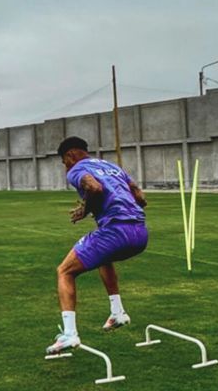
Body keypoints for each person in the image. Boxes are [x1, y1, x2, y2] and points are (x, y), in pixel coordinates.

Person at [46, 137, 148, 355]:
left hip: (115, 232)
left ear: (70, 156)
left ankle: (69, 335)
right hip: (140, 232)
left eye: (65, 162)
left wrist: (86, 210)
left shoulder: (76, 170)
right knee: (104, 257)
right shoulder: (112, 166)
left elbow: (95, 188)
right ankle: (117, 312)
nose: (66, 167)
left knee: (64, 271)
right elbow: (140, 196)